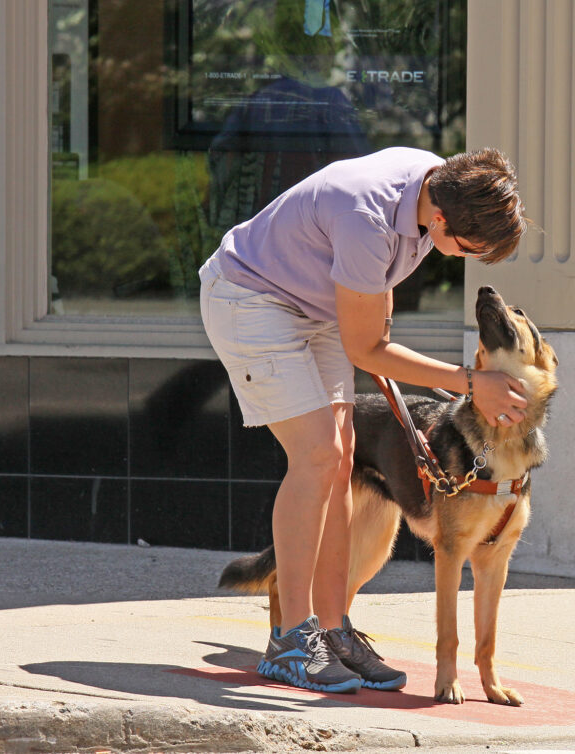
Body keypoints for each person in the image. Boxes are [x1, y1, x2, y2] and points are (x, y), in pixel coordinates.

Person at [198, 146, 529, 694]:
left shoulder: (438, 183)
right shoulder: (366, 217)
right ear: (441, 217)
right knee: (319, 455)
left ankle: (334, 628)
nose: (461, 258)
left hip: (318, 305)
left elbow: (374, 307)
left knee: (343, 459)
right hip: (252, 299)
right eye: (466, 248)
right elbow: (369, 349)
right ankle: (289, 641)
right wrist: (472, 384)